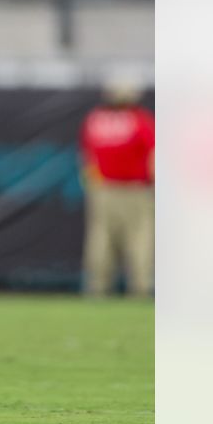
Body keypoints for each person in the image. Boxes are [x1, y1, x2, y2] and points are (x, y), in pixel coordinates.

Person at [79, 75, 154, 297]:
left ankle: (97, 287)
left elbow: (87, 158)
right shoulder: (139, 119)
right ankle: (141, 286)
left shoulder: (94, 119)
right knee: (140, 237)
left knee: (100, 237)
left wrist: (94, 185)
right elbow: (153, 154)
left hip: (102, 189)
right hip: (135, 188)